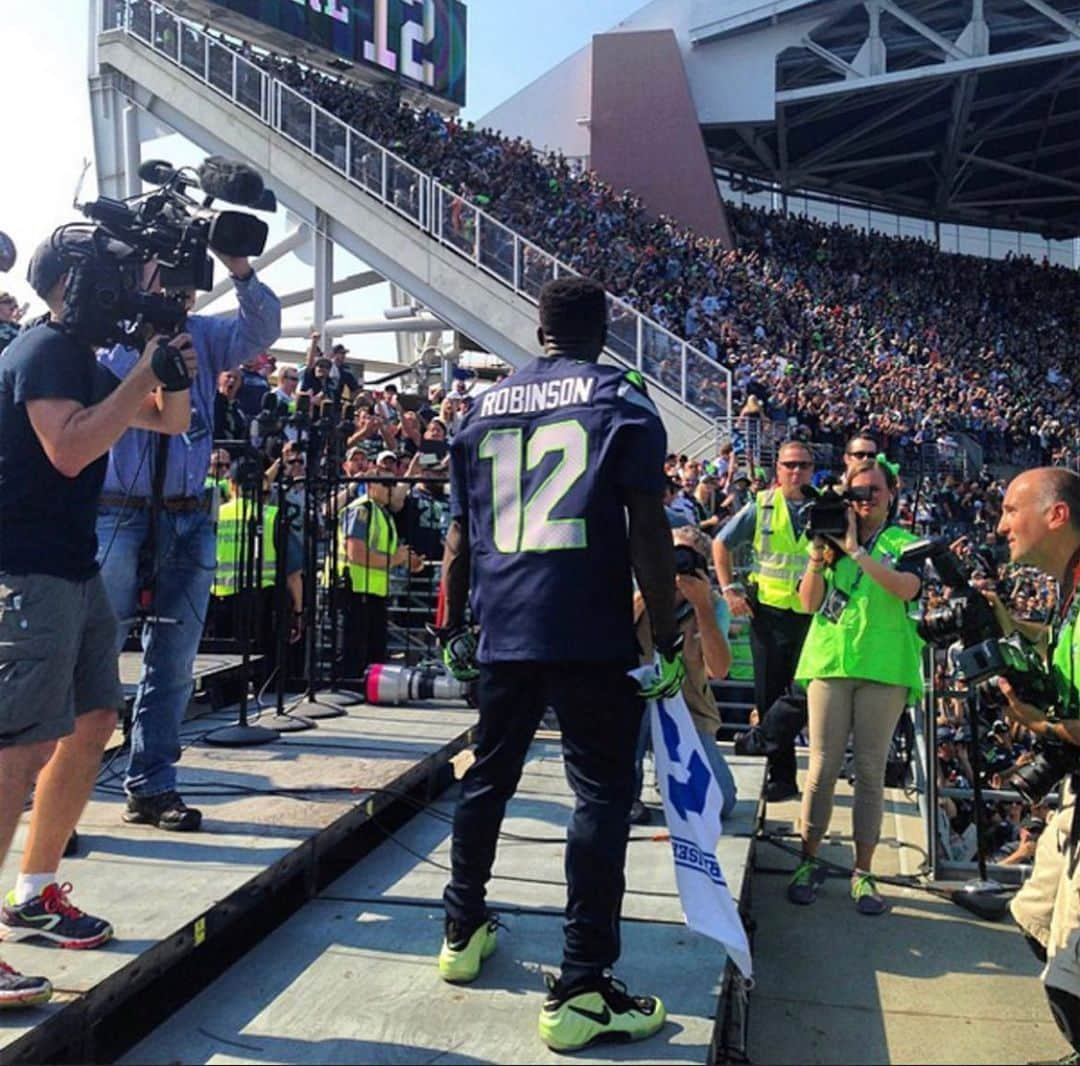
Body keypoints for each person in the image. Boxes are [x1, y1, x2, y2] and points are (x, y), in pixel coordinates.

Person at [435, 276, 685, 1052]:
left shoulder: (481, 406)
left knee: (488, 777)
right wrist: (668, 638)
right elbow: (648, 527)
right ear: (602, 328)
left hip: (503, 626)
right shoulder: (623, 397)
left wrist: (453, 627)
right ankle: (581, 985)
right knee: (601, 799)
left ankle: (461, 928)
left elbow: (456, 539)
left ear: (537, 329)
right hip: (587, 626)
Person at [0, 234, 194, 1005]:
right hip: (25, 572)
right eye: (127, 275)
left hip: (73, 570)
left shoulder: (82, 360)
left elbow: (170, 422)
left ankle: (36, 889)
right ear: (78, 283)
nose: (138, 284)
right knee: (17, 748)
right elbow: (72, 449)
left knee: (89, 722)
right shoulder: (44, 349)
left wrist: (166, 363)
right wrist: (144, 371)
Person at [96, 249, 280, 832]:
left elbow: (263, 326)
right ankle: (58, 792)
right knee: (89, 657)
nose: (178, 290)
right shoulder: (105, 338)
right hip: (115, 513)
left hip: (188, 512)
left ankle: (152, 785)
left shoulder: (202, 334)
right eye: (163, 274)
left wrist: (238, 267)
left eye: (185, 279)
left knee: (173, 663)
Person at [787, 458, 924, 914]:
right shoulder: (828, 546)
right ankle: (807, 859)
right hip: (831, 659)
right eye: (857, 494)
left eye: (873, 493)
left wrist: (857, 550)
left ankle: (863, 871)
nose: (864, 502)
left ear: (891, 494)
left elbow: (906, 588)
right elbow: (808, 603)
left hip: (884, 665)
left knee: (869, 770)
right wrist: (818, 550)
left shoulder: (903, 541)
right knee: (821, 767)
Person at [993, 468, 1080, 1061]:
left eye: (1009, 509)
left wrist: (1040, 725)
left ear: (1056, 515)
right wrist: (998, 616)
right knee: (1036, 916)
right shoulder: (1071, 583)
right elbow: (1057, 645)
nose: (1001, 525)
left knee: (1070, 964)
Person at [713, 440, 816, 801]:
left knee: (806, 690)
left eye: (803, 465)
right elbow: (721, 544)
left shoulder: (826, 508)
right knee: (770, 694)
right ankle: (782, 777)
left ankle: (760, 738)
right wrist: (729, 590)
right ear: (778, 470)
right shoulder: (762, 505)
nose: (796, 471)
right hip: (768, 615)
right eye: (789, 464)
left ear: (812, 469)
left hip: (812, 615)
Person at [633, 525, 738, 821]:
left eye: (685, 558)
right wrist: (647, 593)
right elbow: (606, 641)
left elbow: (718, 669)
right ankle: (629, 790)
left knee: (722, 801)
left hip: (687, 710)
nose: (676, 564)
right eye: (669, 554)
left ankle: (669, 778)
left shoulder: (713, 605)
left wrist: (701, 606)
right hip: (633, 705)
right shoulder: (635, 588)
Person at [338, 454, 424, 684]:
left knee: (375, 650)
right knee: (356, 652)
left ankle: (367, 689)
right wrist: (395, 559)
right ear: (371, 485)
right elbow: (355, 553)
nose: (390, 489)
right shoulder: (362, 509)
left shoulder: (381, 513)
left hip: (373, 590)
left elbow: (392, 552)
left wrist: (409, 560)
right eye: (386, 484)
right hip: (356, 588)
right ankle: (353, 688)